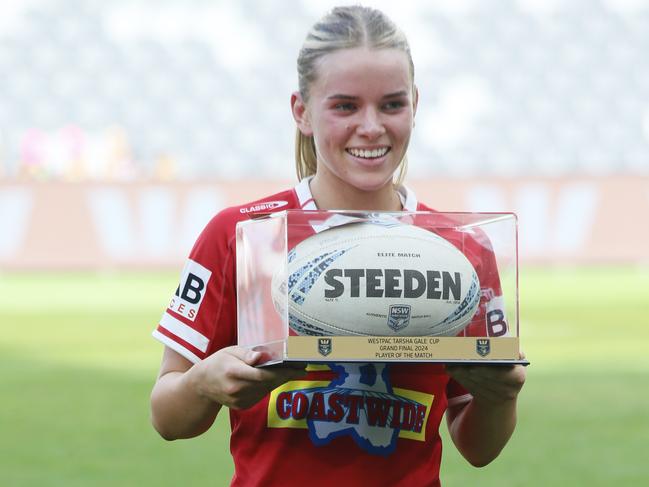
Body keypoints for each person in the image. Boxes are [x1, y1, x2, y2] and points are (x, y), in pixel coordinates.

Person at [150, 6, 526, 486]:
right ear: (301, 111)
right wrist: (203, 383)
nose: (371, 127)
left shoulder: (461, 250)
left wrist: (500, 397)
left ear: (415, 103)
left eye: (392, 104)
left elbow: (478, 448)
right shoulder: (241, 235)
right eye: (345, 106)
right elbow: (167, 417)